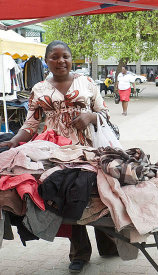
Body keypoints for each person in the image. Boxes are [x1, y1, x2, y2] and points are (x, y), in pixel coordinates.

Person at [0, 40, 119, 273]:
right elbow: (32, 122)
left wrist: (90, 118)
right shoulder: (39, 89)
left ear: (71, 58)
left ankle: (108, 243)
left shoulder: (86, 83)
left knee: (97, 194)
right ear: (46, 61)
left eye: (65, 56)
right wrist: (16, 140)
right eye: (54, 57)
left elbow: (104, 112)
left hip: (88, 148)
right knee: (70, 196)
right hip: (54, 152)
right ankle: (79, 253)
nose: (60, 61)